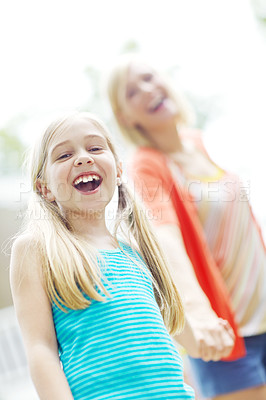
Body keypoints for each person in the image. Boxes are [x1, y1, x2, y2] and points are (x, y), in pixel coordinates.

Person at [107, 55, 266, 400]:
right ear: (126, 117)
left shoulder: (199, 143)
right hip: (229, 332)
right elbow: (165, 238)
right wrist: (197, 312)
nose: (148, 90)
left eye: (150, 78)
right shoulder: (146, 166)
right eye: (133, 92)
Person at [10, 111, 197, 399]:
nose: (83, 158)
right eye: (63, 155)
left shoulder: (136, 253)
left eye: (95, 148)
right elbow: (40, 349)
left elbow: (161, 342)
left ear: (119, 170)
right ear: (44, 188)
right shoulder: (36, 250)